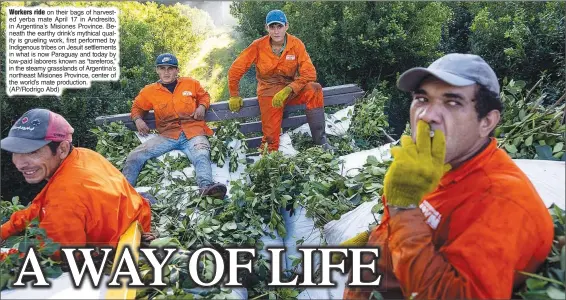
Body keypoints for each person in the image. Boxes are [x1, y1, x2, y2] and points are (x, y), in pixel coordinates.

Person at [341, 53, 554, 299]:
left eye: (452, 102)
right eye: (422, 98)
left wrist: (402, 206)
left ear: (486, 122)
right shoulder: (435, 165)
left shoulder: (502, 201)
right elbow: (413, 231)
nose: (427, 115)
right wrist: (373, 243)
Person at [0, 108, 153, 255]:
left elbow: (53, 254)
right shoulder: (83, 155)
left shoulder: (64, 196)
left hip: (119, 252)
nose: (20, 164)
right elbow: (40, 206)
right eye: (16, 152)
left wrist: (5, 256)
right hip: (135, 222)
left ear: (62, 149)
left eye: (33, 152)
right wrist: (5, 230)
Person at [122, 53, 227, 199]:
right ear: (157, 70)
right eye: (162, 68)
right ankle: (123, 192)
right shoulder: (150, 91)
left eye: (170, 68)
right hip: (167, 136)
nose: (166, 72)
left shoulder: (191, 83)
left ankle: (206, 188)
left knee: (201, 155)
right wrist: (138, 120)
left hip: (193, 132)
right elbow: (137, 107)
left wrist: (202, 106)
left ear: (177, 70)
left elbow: (204, 96)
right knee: (135, 155)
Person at [227, 9, 331, 152]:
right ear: (266, 28)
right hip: (268, 92)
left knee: (314, 88)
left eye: (279, 26)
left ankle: (321, 143)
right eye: (272, 27)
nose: (276, 31)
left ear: (286, 26)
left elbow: (310, 73)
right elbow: (235, 69)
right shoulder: (258, 46)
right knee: (271, 138)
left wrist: (289, 89)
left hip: (291, 89)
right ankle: (269, 161)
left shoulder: (296, 44)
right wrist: (234, 94)